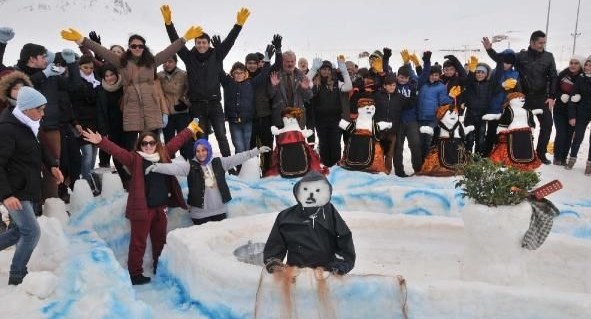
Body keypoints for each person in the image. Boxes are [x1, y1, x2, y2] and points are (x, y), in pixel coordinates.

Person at [81, 120, 202, 285]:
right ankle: (135, 274)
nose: (148, 146)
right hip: (142, 210)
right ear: (139, 146)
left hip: (161, 207)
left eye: (152, 143)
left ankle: (159, 267)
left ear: (156, 144)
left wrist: (189, 129)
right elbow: (117, 152)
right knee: (138, 243)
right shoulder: (134, 159)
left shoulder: (163, 154)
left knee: (160, 240)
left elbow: (177, 140)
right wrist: (101, 141)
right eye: (144, 144)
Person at [61, 25, 203, 150]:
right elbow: (102, 51)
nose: (137, 48)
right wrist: (82, 40)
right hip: (132, 110)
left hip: (151, 110)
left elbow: (169, 51)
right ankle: (133, 177)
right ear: (129, 47)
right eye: (133, 46)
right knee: (131, 148)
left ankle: (155, 175)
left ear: (144, 47)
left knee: (153, 147)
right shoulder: (121, 62)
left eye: (140, 46)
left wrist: (184, 39)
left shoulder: (151, 62)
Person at [161, 5, 249, 157]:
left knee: (222, 136)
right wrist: (169, 24)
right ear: (195, 44)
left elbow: (229, 41)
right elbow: (176, 42)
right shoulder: (189, 58)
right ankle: (203, 164)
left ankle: (228, 165)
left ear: (209, 44)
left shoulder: (217, 55)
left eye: (204, 42)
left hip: (215, 105)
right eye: (198, 42)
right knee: (201, 138)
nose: (201, 45)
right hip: (197, 106)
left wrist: (238, 25)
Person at [0, 87, 63, 285]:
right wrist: (7, 195)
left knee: (20, 231)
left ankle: (17, 272)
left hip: (27, 186)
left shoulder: (29, 124)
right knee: (31, 232)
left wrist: (52, 165)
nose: (43, 114)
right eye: (40, 109)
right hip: (15, 191)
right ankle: (17, 275)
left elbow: (39, 148)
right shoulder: (7, 129)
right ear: (26, 109)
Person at [145, 139, 271, 225]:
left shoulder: (219, 163)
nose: (201, 154)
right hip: (199, 214)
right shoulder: (190, 166)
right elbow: (173, 167)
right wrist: (158, 167)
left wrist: (255, 151)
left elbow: (238, 158)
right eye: (198, 151)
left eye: (204, 150)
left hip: (220, 211)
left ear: (209, 150)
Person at [263, 171, 355, 275]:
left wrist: (341, 265)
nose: (311, 194)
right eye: (306, 189)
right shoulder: (286, 217)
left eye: (317, 190)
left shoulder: (330, 213)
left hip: (326, 275)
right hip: (296, 275)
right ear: (299, 191)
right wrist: (274, 263)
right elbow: (275, 244)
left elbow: (344, 238)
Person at [487, 31, 557, 164]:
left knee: (547, 125)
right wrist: (489, 49)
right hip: (524, 99)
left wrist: (552, 96)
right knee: (520, 126)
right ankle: (520, 152)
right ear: (532, 42)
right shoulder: (520, 56)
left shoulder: (548, 57)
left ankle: (541, 153)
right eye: (540, 43)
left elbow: (553, 77)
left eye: (544, 42)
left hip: (542, 98)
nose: (543, 45)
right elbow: (501, 59)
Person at [220, 43, 273, 158]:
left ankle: (249, 170)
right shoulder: (228, 83)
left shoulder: (251, 83)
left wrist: (267, 61)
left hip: (248, 121)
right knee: (239, 147)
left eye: (241, 72)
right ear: (232, 73)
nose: (238, 75)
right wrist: (220, 52)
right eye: (236, 73)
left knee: (248, 147)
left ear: (245, 74)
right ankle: (240, 170)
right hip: (234, 122)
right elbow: (219, 69)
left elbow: (264, 74)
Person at [308, 57, 352, 167]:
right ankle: (326, 165)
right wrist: (313, 69)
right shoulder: (315, 83)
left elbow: (349, 86)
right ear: (320, 70)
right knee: (323, 143)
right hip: (320, 120)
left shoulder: (337, 83)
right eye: (323, 69)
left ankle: (336, 165)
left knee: (335, 143)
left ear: (331, 71)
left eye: (328, 69)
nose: (326, 71)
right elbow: (304, 83)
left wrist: (344, 70)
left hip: (335, 120)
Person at [69, 55, 101, 195]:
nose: (88, 70)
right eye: (85, 67)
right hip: (80, 122)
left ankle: (89, 181)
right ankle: (86, 184)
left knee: (94, 154)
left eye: (91, 68)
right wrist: (75, 122)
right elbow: (71, 105)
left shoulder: (96, 81)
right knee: (87, 154)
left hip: (95, 122)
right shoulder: (75, 82)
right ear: (79, 67)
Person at [96, 64, 128, 188]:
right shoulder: (101, 90)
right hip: (111, 127)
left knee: (128, 152)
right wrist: (104, 131)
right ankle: (125, 180)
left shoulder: (124, 87)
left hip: (127, 125)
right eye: (107, 76)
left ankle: (131, 177)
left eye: (112, 75)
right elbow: (100, 111)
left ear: (117, 74)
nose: (110, 78)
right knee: (117, 154)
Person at [417, 51, 453, 160]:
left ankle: (425, 162)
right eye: (431, 75)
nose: (433, 77)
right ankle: (419, 162)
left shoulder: (441, 87)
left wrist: (451, 97)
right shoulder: (422, 84)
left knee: (427, 141)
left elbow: (444, 101)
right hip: (420, 117)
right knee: (419, 142)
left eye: (436, 75)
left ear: (439, 75)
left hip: (432, 118)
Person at [158, 55, 193, 160]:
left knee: (185, 140)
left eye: (170, 61)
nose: (167, 64)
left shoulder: (183, 74)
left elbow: (191, 91)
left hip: (182, 112)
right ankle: (171, 163)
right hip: (167, 113)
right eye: (164, 62)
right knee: (169, 141)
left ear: (175, 62)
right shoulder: (158, 76)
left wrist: (185, 103)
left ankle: (188, 163)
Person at [552, 55, 584, 166]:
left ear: (580, 65)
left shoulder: (583, 78)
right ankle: (557, 157)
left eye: (576, 63)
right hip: (560, 110)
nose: (573, 65)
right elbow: (554, 89)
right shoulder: (563, 75)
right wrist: (560, 95)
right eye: (571, 62)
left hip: (574, 112)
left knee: (569, 135)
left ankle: (564, 157)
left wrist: (579, 98)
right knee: (561, 133)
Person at [269, 50, 313, 128]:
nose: (290, 64)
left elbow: (309, 97)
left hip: (298, 118)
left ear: (295, 62)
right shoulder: (275, 75)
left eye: (292, 61)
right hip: (280, 119)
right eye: (287, 61)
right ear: (282, 61)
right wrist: (274, 86)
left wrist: (305, 89)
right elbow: (269, 96)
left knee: (299, 141)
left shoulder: (301, 76)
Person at [565, 56, 591, 174]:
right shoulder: (580, 79)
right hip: (582, 112)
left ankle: (589, 164)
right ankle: (572, 158)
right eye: (586, 65)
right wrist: (572, 116)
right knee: (578, 136)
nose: (587, 67)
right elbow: (572, 98)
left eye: (590, 66)